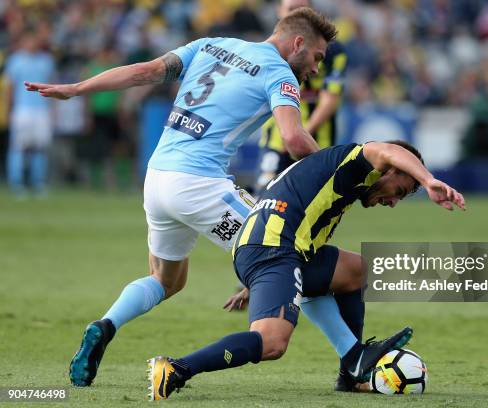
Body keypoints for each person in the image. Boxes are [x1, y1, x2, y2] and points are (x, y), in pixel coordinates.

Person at [26, 7, 335, 387]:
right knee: (291, 254)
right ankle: (354, 357)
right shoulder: (279, 73)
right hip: (200, 184)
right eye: (318, 58)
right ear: (298, 43)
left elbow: (144, 71)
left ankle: (105, 325)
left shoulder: (211, 44)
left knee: (167, 280)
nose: (317, 69)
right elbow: (293, 138)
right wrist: (342, 167)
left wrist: (78, 88)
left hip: (157, 179)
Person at [148, 141, 466, 400]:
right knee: (272, 343)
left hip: (273, 249)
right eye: (399, 191)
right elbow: (390, 151)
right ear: (390, 169)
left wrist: (254, 286)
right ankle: (176, 368)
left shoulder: (339, 191)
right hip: (272, 250)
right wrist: (428, 180)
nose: (393, 202)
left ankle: (352, 369)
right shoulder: (353, 161)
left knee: (356, 270)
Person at [256, 0, 347, 194]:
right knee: (265, 197)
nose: (295, 14)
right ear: (279, 11)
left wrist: (300, 134)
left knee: (312, 204)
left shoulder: (333, 51)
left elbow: (330, 99)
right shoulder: (268, 50)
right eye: (290, 9)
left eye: (300, 9)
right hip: (276, 139)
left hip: (315, 140)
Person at [5, 32, 55, 197]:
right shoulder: (15, 60)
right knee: (18, 147)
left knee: (40, 147)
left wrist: (54, 110)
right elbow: (10, 87)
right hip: (22, 109)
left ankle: (38, 183)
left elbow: (53, 86)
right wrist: (9, 109)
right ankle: (16, 183)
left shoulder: (46, 61)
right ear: (23, 42)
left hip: (42, 110)